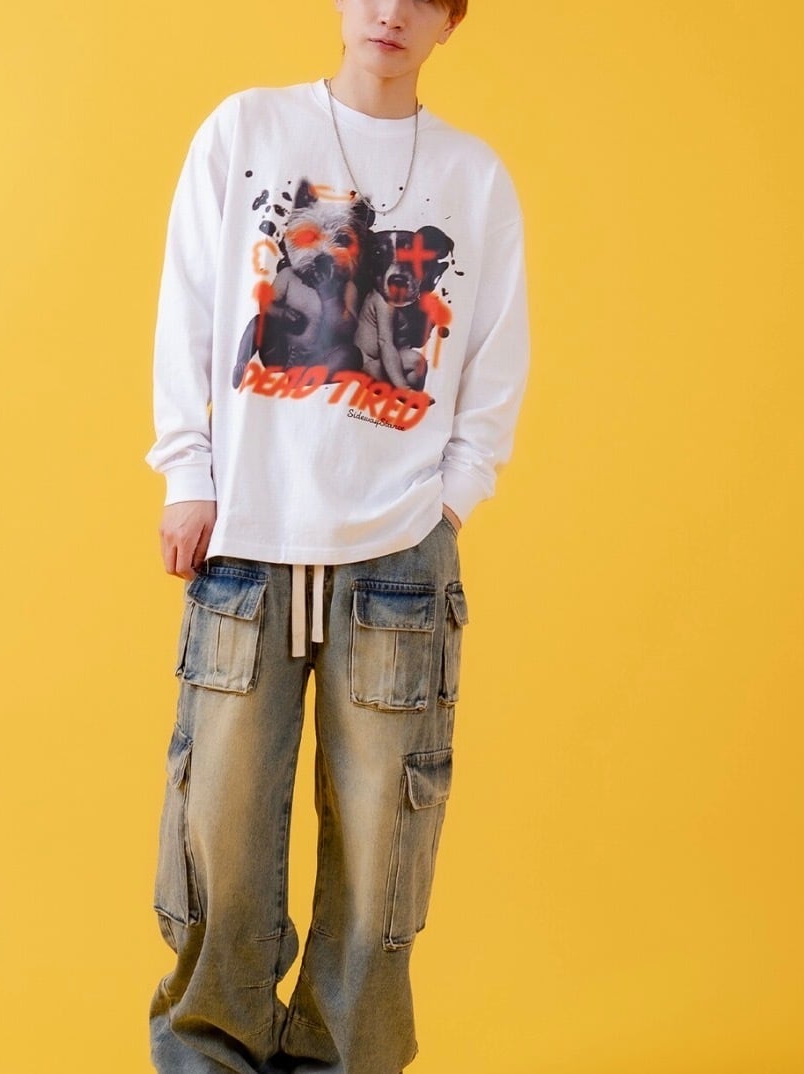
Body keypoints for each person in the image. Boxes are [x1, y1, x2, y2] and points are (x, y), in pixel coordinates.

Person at [144, 1, 530, 1070]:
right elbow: (189, 304)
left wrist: (453, 494)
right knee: (218, 841)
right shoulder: (248, 129)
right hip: (248, 544)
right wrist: (188, 473)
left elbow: (495, 355)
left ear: (451, 20)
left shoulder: (473, 177)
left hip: (398, 558)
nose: (390, 12)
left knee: (379, 855)